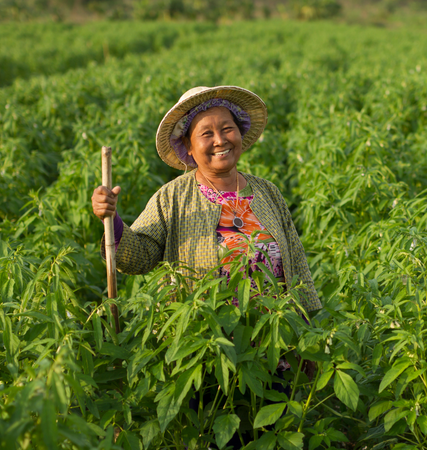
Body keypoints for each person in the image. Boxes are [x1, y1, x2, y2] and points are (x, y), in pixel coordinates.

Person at [91, 85, 321, 314]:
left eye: (227, 128)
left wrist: (311, 324)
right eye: (206, 134)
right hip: (205, 333)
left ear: (239, 133)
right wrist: (112, 220)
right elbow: (138, 257)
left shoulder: (267, 192)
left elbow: (297, 261)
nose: (220, 140)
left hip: (276, 332)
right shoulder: (172, 196)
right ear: (188, 146)